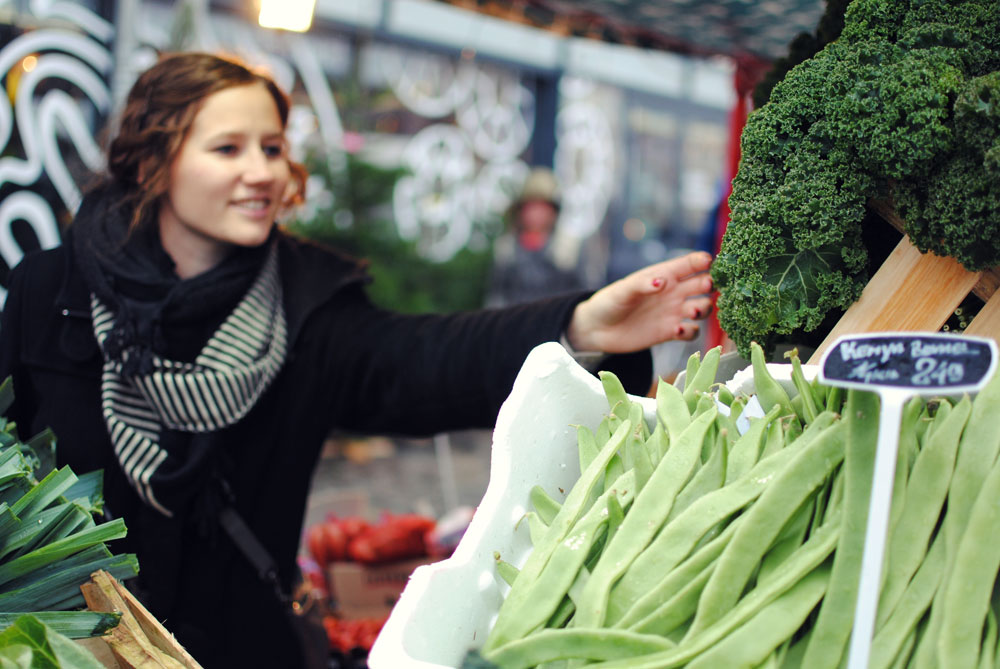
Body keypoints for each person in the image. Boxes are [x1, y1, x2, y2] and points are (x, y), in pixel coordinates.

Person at [0, 52, 713, 668]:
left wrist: (581, 323)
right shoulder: (48, 291)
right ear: (154, 162)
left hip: (242, 649)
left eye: (273, 148)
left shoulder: (309, 305)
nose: (261, 172)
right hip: (68, 645)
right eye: (228, 149)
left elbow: (426, 359)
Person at [486, 166, 585, 307]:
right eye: (531, 207)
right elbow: (497, 294)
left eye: (542, 207)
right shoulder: (507, 249)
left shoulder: (567, 249)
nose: (536, 214)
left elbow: (580, 294)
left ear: (553, 212)